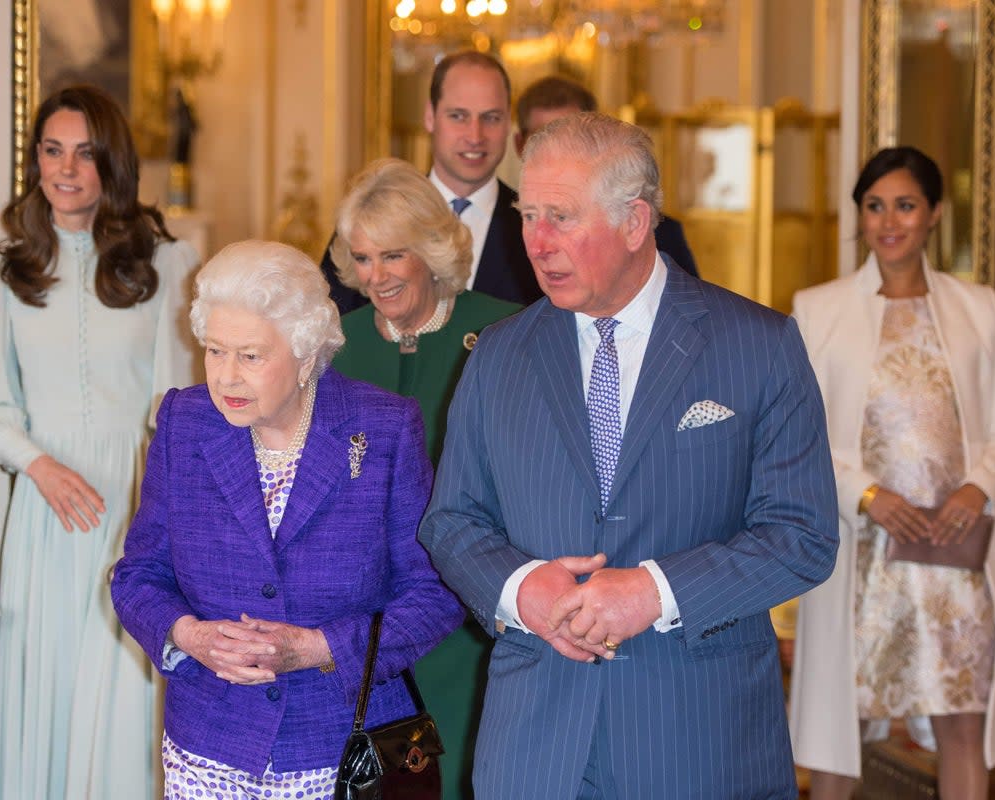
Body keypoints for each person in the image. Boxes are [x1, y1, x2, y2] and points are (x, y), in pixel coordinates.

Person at [418, 112, 839, 799]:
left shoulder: (758, 346)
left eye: (562, 217)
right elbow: (453, 521)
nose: (537, 242)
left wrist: (654, 592)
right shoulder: (498, 355)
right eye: (529, 215)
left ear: (635, 223)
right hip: (535, 745)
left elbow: (802, 537)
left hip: (697, 741)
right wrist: (524, 590)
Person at [110, 240, 464, 798]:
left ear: (304, 355)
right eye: (214, 351)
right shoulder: (186, 421)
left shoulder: (385, 428)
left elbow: (434, 593)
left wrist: (318, 649)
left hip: (344, 749)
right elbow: (137, 577)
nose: (226, 377)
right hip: (210, 747)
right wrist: (190, 636)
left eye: (250, 356)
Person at [0, 85, 199, 799]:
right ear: (36, 160)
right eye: (53, 151)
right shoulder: (4, 265)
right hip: (45, 513)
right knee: (47, 679)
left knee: (123, 690)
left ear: (113, 165)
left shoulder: (165, 261)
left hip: (135, 508)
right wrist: (40, 465)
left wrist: (160, 518)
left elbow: (176, 408)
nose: (66, 169)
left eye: (85, 154)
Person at [789, 146, 995, 800]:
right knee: (836, 740)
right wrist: (865, 494)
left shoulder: (976, 308)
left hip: (956, 553)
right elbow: (796, 435)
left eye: (905, 204)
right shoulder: (819, 309)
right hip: (862, 552)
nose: (888, 220)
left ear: (934, 215)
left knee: (962, 724)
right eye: (874, 206)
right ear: (859, 216)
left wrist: (979, 488)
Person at [328, 158, 520, 798]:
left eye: (392, 256)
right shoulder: (335, 345)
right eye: (361, 258)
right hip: (363, 621)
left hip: (469, 615)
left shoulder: (501, 331)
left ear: (433, 251)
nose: (374, 277)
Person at [321, 50, 539, 313]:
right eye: (458, 116)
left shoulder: (537, 227)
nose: (475, 135)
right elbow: (332, 330)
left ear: (508, 124)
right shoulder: (367, 217)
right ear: (429, 116)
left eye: (490, 117)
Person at [513, 74, 700, 279]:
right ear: (520, 145)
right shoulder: (502, 231)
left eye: (574, 139)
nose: (561, 154)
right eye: (544, 140)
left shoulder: (657, 231)